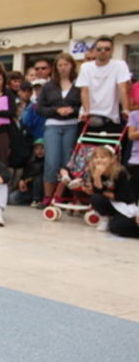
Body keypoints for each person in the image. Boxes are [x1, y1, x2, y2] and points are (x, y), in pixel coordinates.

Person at [76, 36, 132, 164]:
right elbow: (84, 90)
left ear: (112, 51)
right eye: (99, 49)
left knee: (109, 157)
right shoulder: (86, 67)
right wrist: (86, 110)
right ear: (94, 50)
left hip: (110, 118)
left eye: (107, 49)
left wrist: (125, 109)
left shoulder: (119, 65)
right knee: (86, 156)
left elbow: (122, 87)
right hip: (89, 117)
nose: (103, 51)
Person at [37, 53, 81, 206]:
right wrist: (56, 110)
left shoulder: (79, 84)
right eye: (60, 65)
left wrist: (72, 110)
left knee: (67, 162)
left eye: (66, 65)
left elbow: (84, 105)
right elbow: (40, 108)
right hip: (53, 124)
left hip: (72, 124)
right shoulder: (49, 86)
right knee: (51, 161)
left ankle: (61, 195)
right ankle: (48, 196)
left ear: (72, 66)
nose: (63, 68)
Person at [86, 145, 137, 237]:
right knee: (96, 198)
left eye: (103, 157)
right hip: (109, 202)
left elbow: (122, 196)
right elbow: (97, 192)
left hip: (124, 205)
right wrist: (97, 177)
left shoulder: (120, 172)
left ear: (112, 159)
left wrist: (104, 193)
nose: (99, 160)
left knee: (116, 227)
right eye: (96, 157)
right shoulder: (94, 172)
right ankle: (104, 218)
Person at [8, 138, 45, 206]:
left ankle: (37, 200)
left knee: (38, 178)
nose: (39, 151)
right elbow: (25, 174)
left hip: (40, 190)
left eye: (42, 148)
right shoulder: (30, 160)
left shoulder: (47, 162)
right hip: (28, 189)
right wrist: (22, 180)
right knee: (10, 198)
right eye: (37, 148)